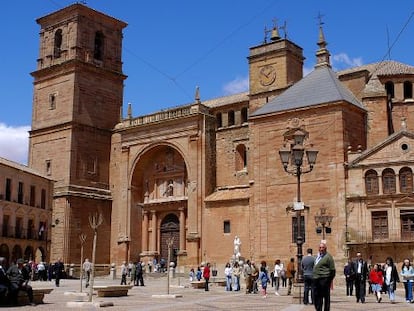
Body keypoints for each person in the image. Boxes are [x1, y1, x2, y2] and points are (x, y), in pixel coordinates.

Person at [313, 242, 336, 311]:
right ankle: (318, 308)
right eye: (320, 247)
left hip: (324, 279)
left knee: (326, 296)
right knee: (316, 295)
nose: (321, 249)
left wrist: (329, 280)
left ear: (325, 248)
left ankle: (326, 309)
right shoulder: (317, 256)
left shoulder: (328, 257)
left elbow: (332, 270)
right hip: (316, 279)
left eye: (323, 247)